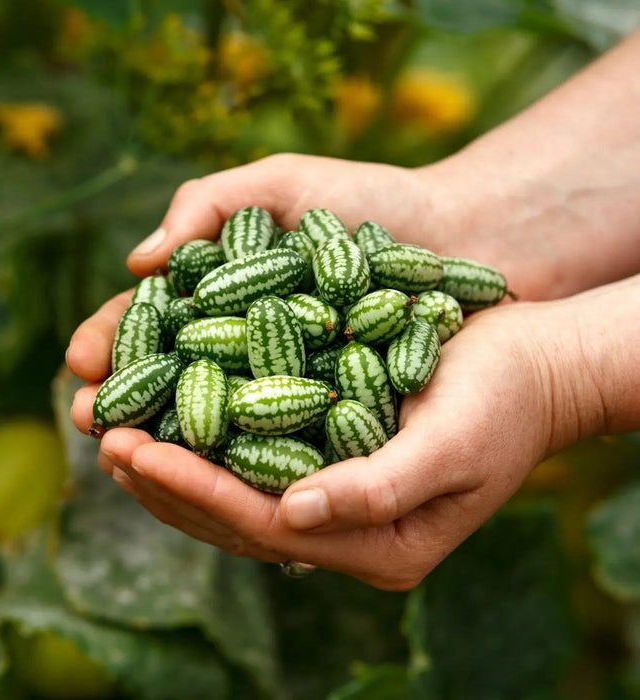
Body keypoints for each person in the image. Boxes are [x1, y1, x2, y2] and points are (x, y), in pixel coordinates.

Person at [67, 28, 640, 591]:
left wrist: (563, 375)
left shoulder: (329, 323)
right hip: (283, 348)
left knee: (299, 385)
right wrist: (470, 210)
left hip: (298, 350)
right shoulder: (283, 307)